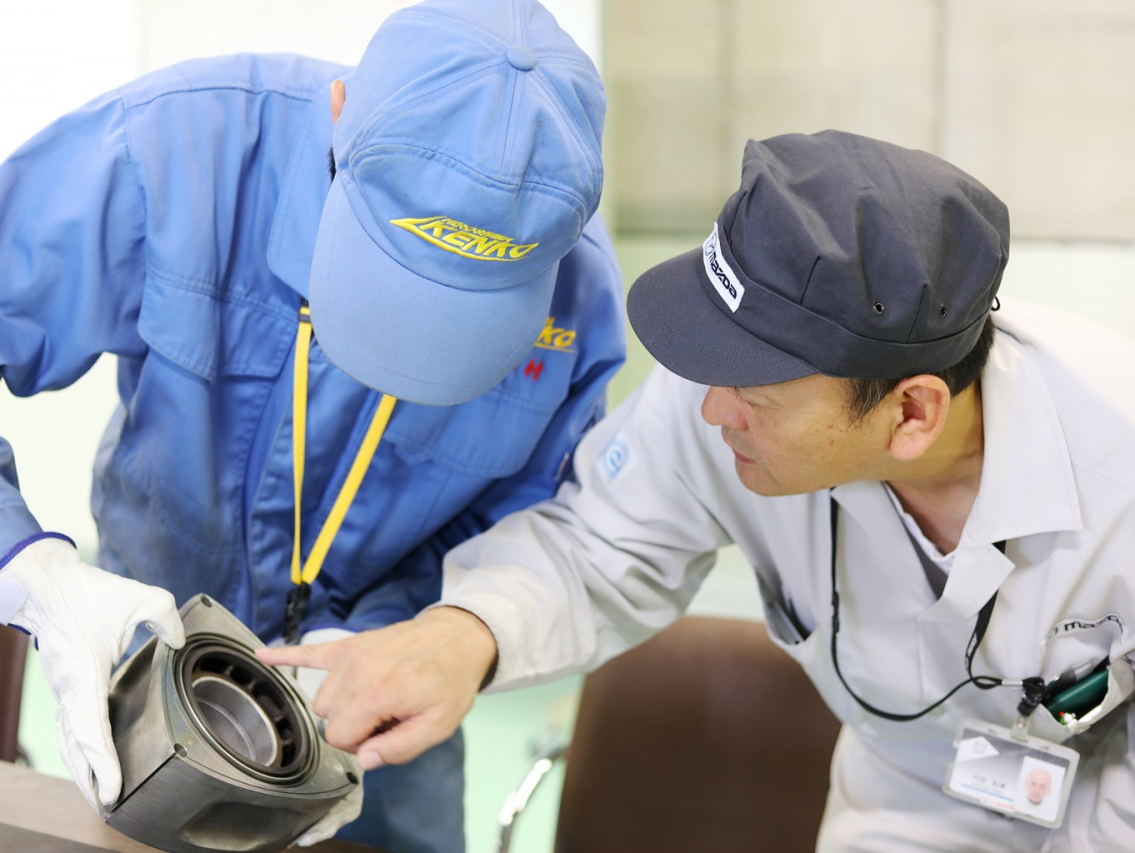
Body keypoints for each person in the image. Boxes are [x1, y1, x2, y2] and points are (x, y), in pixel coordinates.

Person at [0, 0, 626, 849]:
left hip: (380, 707)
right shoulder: (179, 149)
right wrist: (34, 575)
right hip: (155, 672)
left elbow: (521, 519)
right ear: (339, 114)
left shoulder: (580, 301)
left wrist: (390, 635)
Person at [265, 130, 1135, 850]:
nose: (714, 408)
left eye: (755, 396)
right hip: (895, 805)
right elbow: (596, 545)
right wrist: (466, 634)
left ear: (910, 413)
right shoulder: (727, 391)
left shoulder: (1117, 468)